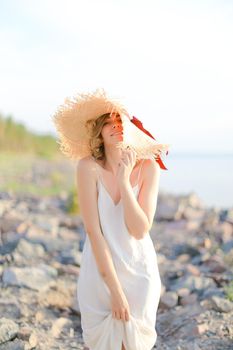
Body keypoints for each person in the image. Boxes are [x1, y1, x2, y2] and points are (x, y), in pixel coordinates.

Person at [52, 88, 170, 350]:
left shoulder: (148, 167)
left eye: (120, 121)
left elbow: (139, 230)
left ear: (130, 128)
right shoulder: (87, 168)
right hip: (100, 271)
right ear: (99, 132)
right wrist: (115, 291)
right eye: (108, 122)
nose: (115, 126)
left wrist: (124, 183)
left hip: (139, 271)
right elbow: (94, 232)